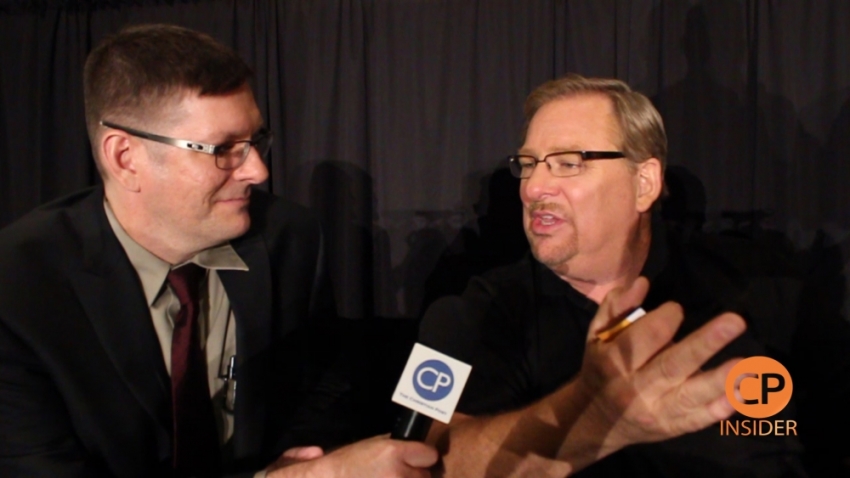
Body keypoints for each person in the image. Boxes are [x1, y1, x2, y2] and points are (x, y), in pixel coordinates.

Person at [0, 24, 436, 477]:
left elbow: (321, 381)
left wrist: (301, 457)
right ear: (126, 158)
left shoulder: (289, 237)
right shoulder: (17, 291)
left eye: (255, 142)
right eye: (223, 149)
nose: (258, 171)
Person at [421, 74, 850, 476]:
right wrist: (594, 418)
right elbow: (423, 460)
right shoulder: (470, 313)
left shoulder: (767, 289)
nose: (533, 188)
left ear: (644, 182)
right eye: (529, 163)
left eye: (568, 163)